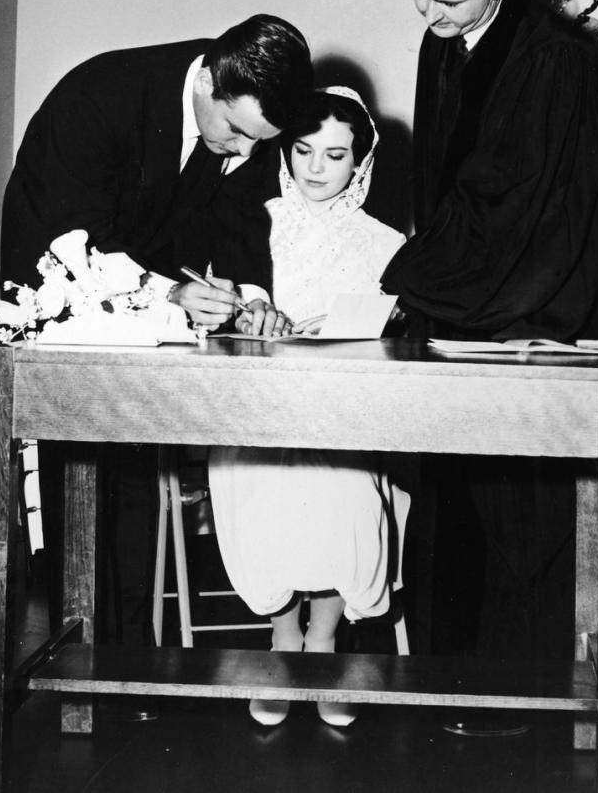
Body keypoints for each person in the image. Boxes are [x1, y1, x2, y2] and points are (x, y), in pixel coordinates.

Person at [381, 0, 598, 733]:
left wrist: (418, 276)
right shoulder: (443, 45)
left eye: (449, 4)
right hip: (469, 293)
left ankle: (518, 696)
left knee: (521, 511)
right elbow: (445, 188)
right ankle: (446, 677)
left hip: (536, 305)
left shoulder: (559, 68)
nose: (431, 19)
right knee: (453, 498)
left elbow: (537, 215)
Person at [0, 14, 314, 642]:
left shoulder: (243, 121)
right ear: (208, 85)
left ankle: (126, 656)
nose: (246, 151)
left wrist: (249, 299)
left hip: (149, 318)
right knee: (76, 494)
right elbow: (73, 238)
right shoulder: (100, 96)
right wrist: (169, 290)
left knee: (138, 483)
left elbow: (242, 218)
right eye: (236, 132)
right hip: (61, 305)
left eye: (260, 141)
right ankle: (80, 657)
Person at [212, 87, 406, 728]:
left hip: (346, 405)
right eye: (303, 150)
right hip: (259, 404)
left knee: (340, 482)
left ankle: (324, 639)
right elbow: (226, 311)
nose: (316, 168)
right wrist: (253, 311)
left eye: (335, 155)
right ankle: (280, 636)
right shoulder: (253, 216)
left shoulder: (383, 240)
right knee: (263, 478)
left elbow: (392, 332)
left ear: (360, 162)